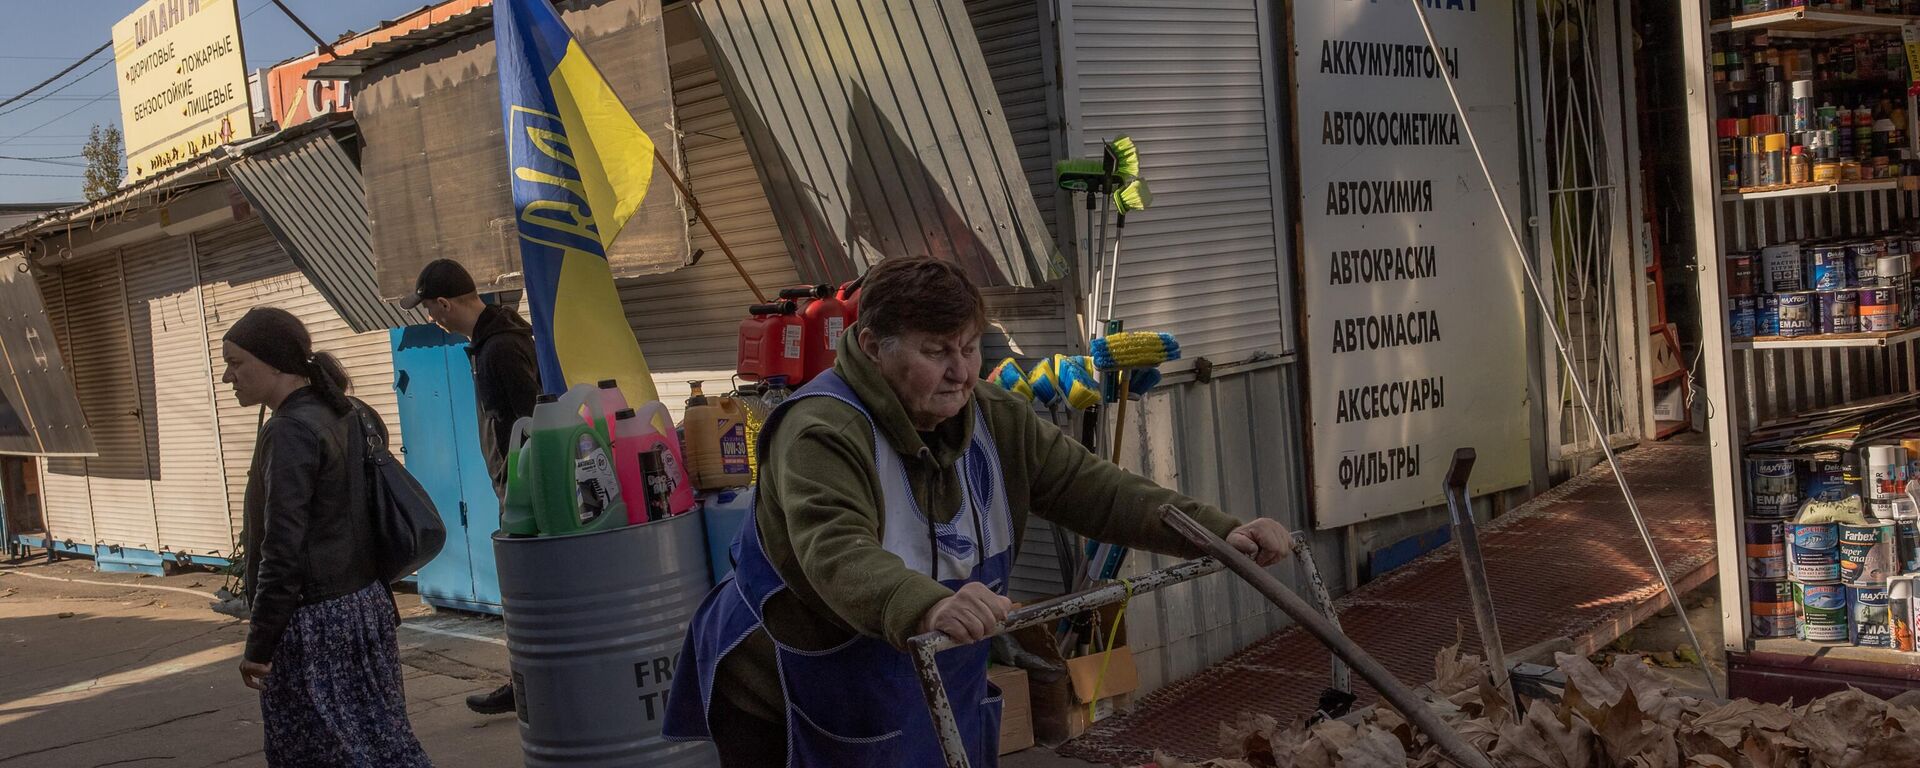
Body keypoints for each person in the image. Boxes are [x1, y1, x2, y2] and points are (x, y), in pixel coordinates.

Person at [663, 257, 1293, 767]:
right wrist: (929, 604)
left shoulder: (994, 416)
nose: (962, 371)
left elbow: (1100, 490)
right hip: (797, 689)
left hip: (927, 672)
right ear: (871, 345)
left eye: (969, 347)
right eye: (936, 350)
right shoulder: (821, 430)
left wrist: (1218, 533)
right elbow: (836, 549)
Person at [223, 307, 432, 767]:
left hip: (315, 623)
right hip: (363, 608)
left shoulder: (289, 430)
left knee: (325, 752)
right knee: (381, 741)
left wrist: (259, 645)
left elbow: (282, 548)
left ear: (274, 361)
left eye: (236, 363)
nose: (227, 376)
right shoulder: (345, 411)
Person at [400, 258, 540, 715]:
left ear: (442, 304)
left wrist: (520, 487)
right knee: (522, 597)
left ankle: (531, 686)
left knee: (526, 598)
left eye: (428, 309)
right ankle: (527, 683)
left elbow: (529, 424)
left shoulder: (500, 348)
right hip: (512, 487)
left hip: (524, 492)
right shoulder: (490, 343)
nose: (429, 319)